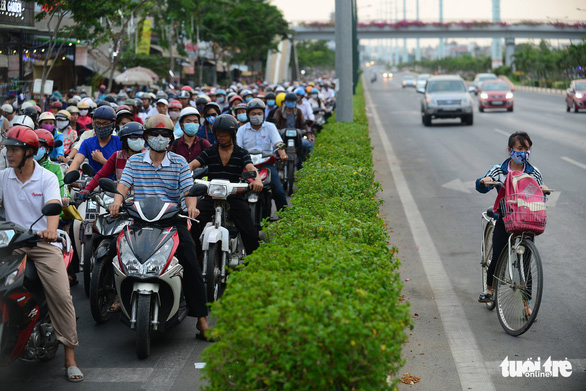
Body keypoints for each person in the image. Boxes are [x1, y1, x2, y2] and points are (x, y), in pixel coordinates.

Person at [108, 114, 213, 340]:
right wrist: (117, 202)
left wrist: (191, 208)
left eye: (164, 134)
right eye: (154, 134)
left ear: (170, 138)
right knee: (112, 251)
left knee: (192, 263)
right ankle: (118, 296)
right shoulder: (135, 162)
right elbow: (123, 185)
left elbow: (188, 192)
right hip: (139, 221)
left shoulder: (179, 163)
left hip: (171, 222)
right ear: (146, 137)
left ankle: (202, 321)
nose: (159, 138)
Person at [0, 126, 83, 382]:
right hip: (11, 242)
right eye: (7, 148)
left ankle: (70, 356)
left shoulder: (46, 177)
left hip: (41, 244)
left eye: (14, 149)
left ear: (29, 152)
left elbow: (54, 208)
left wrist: (49, 230)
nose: (8, 153)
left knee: (61, 295)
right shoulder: (3, 176)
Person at [476, 131, 548, 304]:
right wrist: (483, 181)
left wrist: (543, 189)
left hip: (526, 219)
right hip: (505, 218)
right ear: (510, 150)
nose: (524, 152)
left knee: (526, 263)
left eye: (527, 149)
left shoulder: (533, 172)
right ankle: (489, 289)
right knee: (499, 253)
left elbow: (540, 194)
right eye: (520, 148)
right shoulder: (499, 170)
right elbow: (483, 185)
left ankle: (527, 304)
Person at [189, 114, 263, 255]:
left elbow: (251, 168)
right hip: (212, 196)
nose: (220, 137)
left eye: (224, 134)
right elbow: (192, 165)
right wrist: (186, 174)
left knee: (250, 232)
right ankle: (196, 257)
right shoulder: (210, 151)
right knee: (194, 222)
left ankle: (254, 263)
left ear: (232, 134)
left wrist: (257, 180)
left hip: (234, 197)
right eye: (218, 134)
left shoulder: (241, 153)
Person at [236, 98, 288, 212]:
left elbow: (278, 142)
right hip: (247, 166)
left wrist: (283, 154)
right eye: (253, 114)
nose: (257, 116)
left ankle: (286, 219)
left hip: (266, 165)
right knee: (236, 191)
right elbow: (237, 148)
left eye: (259, 113)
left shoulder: (270, 127)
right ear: (248, 115)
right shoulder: (241, 130)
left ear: (264, 114)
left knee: (278, 191)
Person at [67, 106, 122, 175]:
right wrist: (67, 178)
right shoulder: (88, 143)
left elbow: (121, 170)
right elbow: (76, 162)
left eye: (105, 123)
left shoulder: (120, 143)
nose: (101, 126)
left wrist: (102, 160)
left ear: (113, 124)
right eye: (98, 123)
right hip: (93, 183)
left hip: (115, 183)